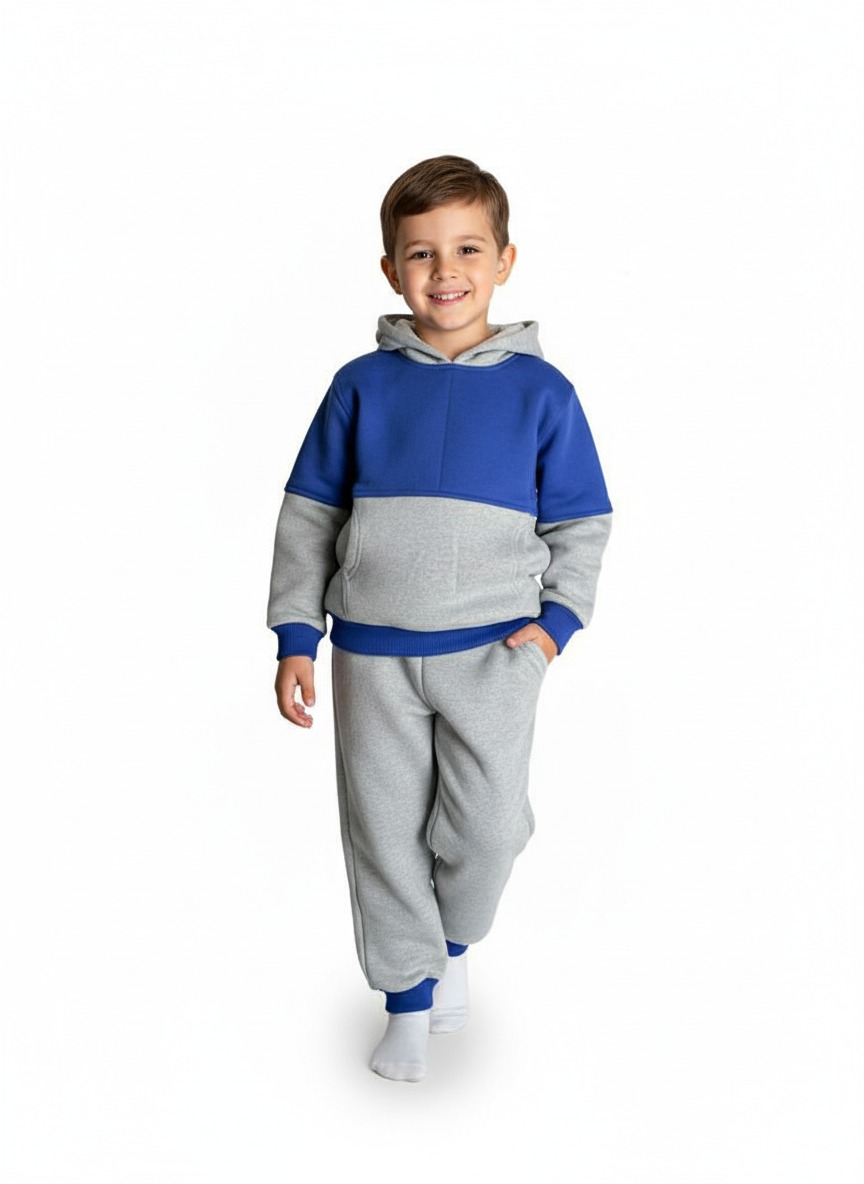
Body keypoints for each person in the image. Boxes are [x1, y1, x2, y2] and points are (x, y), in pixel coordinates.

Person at [268, 155, 612, 1082]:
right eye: (421, 253)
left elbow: (582, 522)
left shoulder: (544, 392)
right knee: (382, 835)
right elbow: (308, 517)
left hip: (495, 652)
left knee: (488, 830)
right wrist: (297, 636)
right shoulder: (359, 385)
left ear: (504, 261)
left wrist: (554, 627)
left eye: (466, 249)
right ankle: (408, 1002)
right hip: (371, 654)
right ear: (392, 271)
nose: (445, 270)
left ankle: (453, 945)